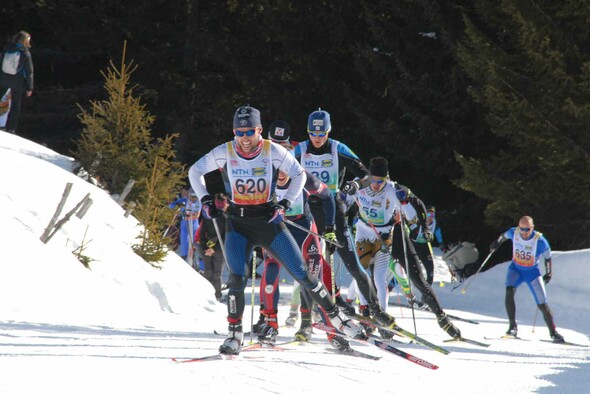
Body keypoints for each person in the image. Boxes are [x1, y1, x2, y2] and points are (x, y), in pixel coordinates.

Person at [188, 105, 364, 355]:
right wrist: (205, 199)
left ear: (259, 130)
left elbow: (299, 176)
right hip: (238, 223)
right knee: (236, 277)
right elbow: (194, 171)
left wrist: (284, 203)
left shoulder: (273, 151)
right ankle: (234, 334)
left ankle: (338, 321)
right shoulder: (225, 151)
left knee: (304, 274)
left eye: (249, 131)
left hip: (269, 222)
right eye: (239, 132)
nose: (244, 138)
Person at [293, 109, 395, 327]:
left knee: (354, 265)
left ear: (328, 131)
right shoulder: (299, 150)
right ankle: (305, 321)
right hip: (307, 212)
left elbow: (366, 175)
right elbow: (280, 173)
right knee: (309, 267)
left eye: (322, 134)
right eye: (313, 134)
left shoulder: (338, 148)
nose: (318, 139)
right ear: (308, 132)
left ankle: (375, 311)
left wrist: (354, 185)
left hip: (332, 210)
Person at [341, 157, 404, 339]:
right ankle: (365, 313)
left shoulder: (391, 188)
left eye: (380, 181)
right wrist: (340, 209)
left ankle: (383, 320)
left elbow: (403, 209)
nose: (376, 185)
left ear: (386, 178)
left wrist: (399, 216)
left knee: (380, 278)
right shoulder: (361, 186)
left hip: (383, 237)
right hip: (363, 234)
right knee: (362, 274)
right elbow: (344, 202)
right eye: (373, 180)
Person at [393, 184, 462, 338]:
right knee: (399, 273)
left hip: (425, 248)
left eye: (431, 215)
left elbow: (438, 236)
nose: (430, 217)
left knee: (428, 275)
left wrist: (440, 244)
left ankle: (427, 301)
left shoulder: (423, 217)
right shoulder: (404, 209)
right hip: (410, 246)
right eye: (428, 214)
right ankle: (405, 297)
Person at [489, 215, 564, 343]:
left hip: (532, 273)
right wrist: (496, 243)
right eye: (522, 229)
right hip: (516, 270)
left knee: (542, 304)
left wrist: (549, 273)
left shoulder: (540, 241)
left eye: (527, 229)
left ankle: (553, 333)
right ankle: (512, 327)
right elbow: (503, 236)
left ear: (532, 228)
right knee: (509, 292)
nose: (524, 233)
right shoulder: (514, 232)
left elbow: (547, 257)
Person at [196, 193, 228, 302]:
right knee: (211, 272)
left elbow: (224, 237)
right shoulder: (211, 217)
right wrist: (206, 248)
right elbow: (202, 234)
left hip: (216, 248)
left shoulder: (221, 217)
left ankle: (216, 295)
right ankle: (212, 295)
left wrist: (210, 248)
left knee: (214, 272)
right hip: (211, 248)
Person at [0, 31, 33, 134]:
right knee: (15, 106)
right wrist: (30, 87)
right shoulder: (25, 53)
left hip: (4, 79)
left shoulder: (7, 49)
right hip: (17, 83)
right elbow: (29, 72)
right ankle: (11, 129)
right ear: (25, 40)